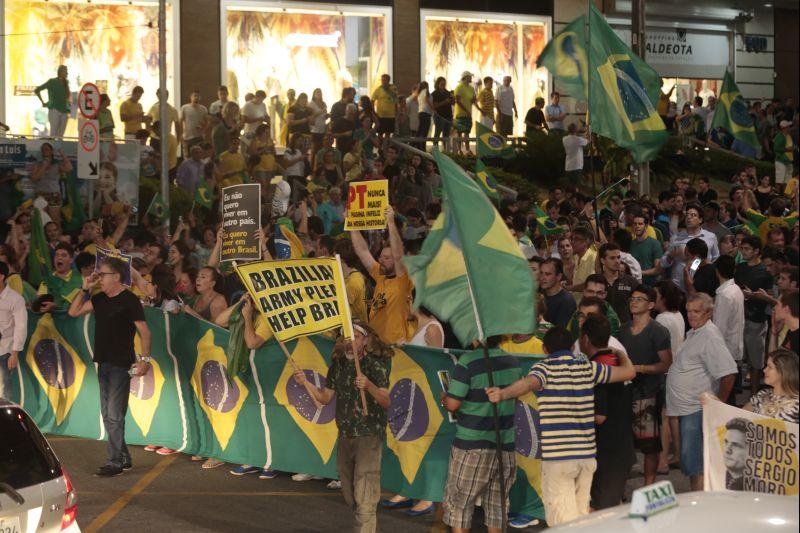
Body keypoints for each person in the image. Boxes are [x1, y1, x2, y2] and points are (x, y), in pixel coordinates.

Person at [486, 326, 635, 526]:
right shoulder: (587, 368)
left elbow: (528, 384)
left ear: (545, 349)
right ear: (573, 347)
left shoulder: (544, 368)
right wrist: (621, 354)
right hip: (586, 458)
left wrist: (502, 394)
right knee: (582, 516)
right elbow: (629, 372)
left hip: (559, 459)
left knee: (561, 523)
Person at [295, 322, 392, 533]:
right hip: (345, 436)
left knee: (365, 491)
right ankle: (365, 522)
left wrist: (369, 386)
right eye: (346, 338)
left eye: (356, 337)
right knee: (349, 492)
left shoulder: (375, 366)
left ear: (365, 340)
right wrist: (306, 383)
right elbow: (324, 398)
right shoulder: (337, 366)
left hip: (368, 435)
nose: (350, 342)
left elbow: (386, 400)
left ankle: (365, 527)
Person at [68, 257, 151, 477]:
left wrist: (145, 360)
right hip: (103, 362)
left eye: (102, 274)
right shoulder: (99, 299)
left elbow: (145, 332)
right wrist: (84, 288)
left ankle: (114, 461)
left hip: (121, 364)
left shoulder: (129, 300)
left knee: (114, 415)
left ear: (116, 276)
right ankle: (124, 457)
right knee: (108, 414)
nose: (99, 278)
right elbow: (73, 312)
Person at [438, 333, 520, 533]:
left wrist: (444, 398)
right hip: (505, 444)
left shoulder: (468, 362)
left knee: (460, 505)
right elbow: (515, 399)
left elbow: (452, 403)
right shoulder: (513, 362)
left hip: (472, 445)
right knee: (497, 507)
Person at [666, 293, 737, 491]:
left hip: (696, 410)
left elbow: (729, 373)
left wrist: (718, 404)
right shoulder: (695, 332)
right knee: (691, 463)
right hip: (686, 409)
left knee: (696, 464)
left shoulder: (710, 336)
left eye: (696, 311)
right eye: (688, 311)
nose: (691, 315)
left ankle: (700, 502)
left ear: (709, 313)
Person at [617, 284, 673, 486]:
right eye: (632, 298)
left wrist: (639, 368)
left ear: (650, 305)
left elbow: (666, 364)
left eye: (639, 299)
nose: (633, 302)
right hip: (624, 393)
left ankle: (649, 485)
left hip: (648, 393)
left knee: (650, 445)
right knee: (622, 444)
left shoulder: (658, 331)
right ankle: (620, 487)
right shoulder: (622, 329)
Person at [577, 314, 634, 510]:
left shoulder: (596, 369)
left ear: (584, 339)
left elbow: (599, 417)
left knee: (603, 513)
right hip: (621, 449)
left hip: (608, 454)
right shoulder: (618, 362)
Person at [351, 206, 412, 344]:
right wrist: (352, 225)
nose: (380, 260)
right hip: (375, 344)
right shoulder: (380, 275)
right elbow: (362, 251)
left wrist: (390, 222)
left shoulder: (403, 280)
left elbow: (398, 255)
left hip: (394, 346)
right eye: (380, 257)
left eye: (386, 258)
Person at [734, 235, 774, 395]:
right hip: (739, 317)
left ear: (756, 251)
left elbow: (770, 296)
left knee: (756, 360)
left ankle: (754, 394)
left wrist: (756, 296)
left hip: (756, 319)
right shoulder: (741, 267)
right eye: (742, 248)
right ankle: (737, 389)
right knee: (737, 356)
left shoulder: (765, 272)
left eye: (747, 249)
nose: (743, 251)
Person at [744, 349, 799, 424]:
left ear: (783, 372)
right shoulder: (762, 394)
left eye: (770, 367)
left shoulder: (797, 403)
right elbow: (739, 416)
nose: (764, 370)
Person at [0, 261, 26, 399]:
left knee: (4, 391)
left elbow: (21, 327)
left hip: (4, 351)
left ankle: (4, 420)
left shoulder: (15, 299)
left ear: (1, 276)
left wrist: (14, 353)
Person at [713, 255, 745, 364]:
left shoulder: (725, 295)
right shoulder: (736, 289)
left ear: (717, 271)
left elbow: (720, 327)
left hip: (726, 350)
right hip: (735, 346)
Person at [598, 243, 638, 323]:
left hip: (626, 329)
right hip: (602, 329)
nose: (617, 261)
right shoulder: (596, 281)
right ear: (602, 260)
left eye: (618, 257)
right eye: (612, 258)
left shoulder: (631, 281)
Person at [539, 258, 576, 328]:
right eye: (541, 273)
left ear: (559, 276)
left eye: (547, 274)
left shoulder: (566, 301)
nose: (542, 278)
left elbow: (560, 333)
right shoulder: (540, 293)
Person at [35, 65, 70, 138]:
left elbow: (67, 96)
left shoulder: (66, 82)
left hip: (64, 111)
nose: (67, 73)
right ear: (61, 72)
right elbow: (37, 90)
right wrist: (43, 102)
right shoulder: (52, 81)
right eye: (66, 71)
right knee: (53, 134)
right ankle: (52, 148)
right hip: (54, 110)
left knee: (61, 136)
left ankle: (59, 148)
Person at [630, 213, 662, 285]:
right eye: (635, 224)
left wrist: (640, 273)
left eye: (640, 224)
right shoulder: (630, 244)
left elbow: (658, 269)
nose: (637, 226)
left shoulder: (655, 244)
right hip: (633, 283)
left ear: (646, 226)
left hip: (649, 283)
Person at [453, 71, 478, 154]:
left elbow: (473, 99)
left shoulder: (471, 88)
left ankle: (467, 149)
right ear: (465, 77)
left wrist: (476, 104)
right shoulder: (459, 87)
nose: (471, 78)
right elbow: (457, 101)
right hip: (460, 114)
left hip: (468, 114)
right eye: (470, 77)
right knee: (459, 132)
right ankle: (459, 149)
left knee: (467, 132)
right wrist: (466, 110)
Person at [769, 290, 799, 356]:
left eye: (778, 304)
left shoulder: (796, 336)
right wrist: (774, 333)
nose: (774, 308)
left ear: (786, 309)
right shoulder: (791, 330)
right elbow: (775, 360)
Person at [371, 74, 398, 143]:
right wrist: (373, 111)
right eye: (382, 80)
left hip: (391, 115)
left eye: (384, 80)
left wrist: (396, 113)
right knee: (380, 133)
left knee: (388, 133)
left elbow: (396, 101)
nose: (383, 82)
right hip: (381, 115)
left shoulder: (393, 88)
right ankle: (381, 147)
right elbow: (372, 100)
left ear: (388, 80)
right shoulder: (378, 89)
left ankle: (386, 148)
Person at [431, 77, 454, 150]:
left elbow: (453, 103)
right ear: (438, 84)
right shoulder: (434, 94)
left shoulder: (448, 93)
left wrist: (453, 99)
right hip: (439, 116)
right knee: (437, 133)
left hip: (448, 116)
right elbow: (434, 105)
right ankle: (435, 149)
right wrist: (444, 102)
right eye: (442, 84)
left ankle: (445, 150)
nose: (443, 85)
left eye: (444, 84)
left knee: (446, 134)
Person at [774, 120, 794, 191]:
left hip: (788, 161)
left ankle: (785, 198)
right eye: (788, 127)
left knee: (787, 182)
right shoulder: (779, 137)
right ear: (784, 128)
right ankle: (776, 197)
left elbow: (790, 146)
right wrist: (788, 149)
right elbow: (776, 149)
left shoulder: (788, 136)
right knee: (779, 181)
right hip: (781, 161)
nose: (789, 128)